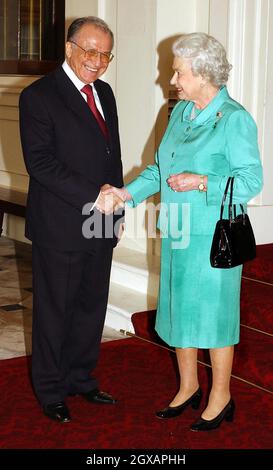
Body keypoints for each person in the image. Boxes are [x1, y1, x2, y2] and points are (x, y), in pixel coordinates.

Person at [103, 32, 263, 431]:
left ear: (204, 73)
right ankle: (189, 386)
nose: (172, 81)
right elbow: (160, 170)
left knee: (214, 316)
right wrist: (126, 194)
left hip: (214, 237)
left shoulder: (235, 119)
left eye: (179, 73)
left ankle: (221, 395)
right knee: (178, 312)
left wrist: (203, 181)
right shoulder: (178, 113)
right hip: (178, 233)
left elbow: (250, 181)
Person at [19, 16, 124, 423]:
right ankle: (50, 389)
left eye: (105, 54)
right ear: (69, 48)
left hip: (102, 218)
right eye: (90, 51)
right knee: (55, 309)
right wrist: (93, 196)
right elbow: (40, 163)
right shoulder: (39, 95)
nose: (97, 61)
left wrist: (116, 203)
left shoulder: (106, 93)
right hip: (62, 220)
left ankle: (80, 377)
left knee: (90, 303)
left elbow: (110, 154)